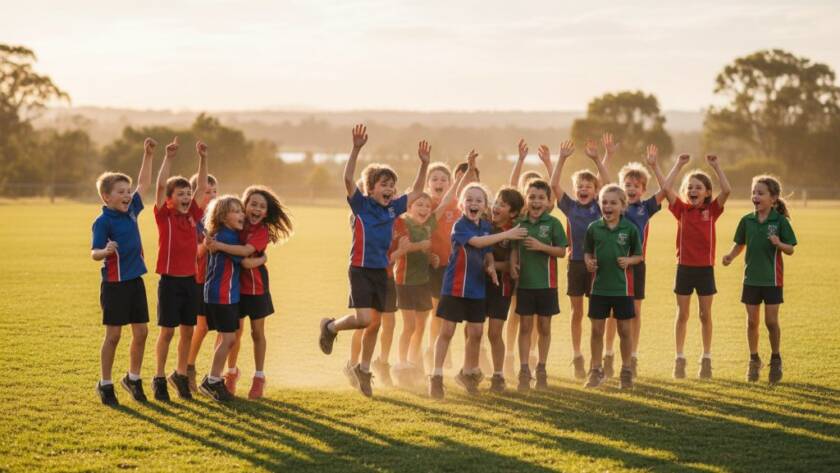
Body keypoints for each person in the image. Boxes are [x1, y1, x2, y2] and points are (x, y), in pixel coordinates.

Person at [318, 124, 429, 398]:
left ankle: (363, 370)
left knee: (375, 324)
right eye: (383, 184)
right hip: (360, 270)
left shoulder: (393, 208)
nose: (389, 189)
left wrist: (424, 164)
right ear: (370, 189)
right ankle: (330, 326)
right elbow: (347, 178)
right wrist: (356, 149)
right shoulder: (361, 205)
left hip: (383, 272)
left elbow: (416, 191)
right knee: (364, 319)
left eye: (392, 185)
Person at [91, 137, 156, 405]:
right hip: (114, 285)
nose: (128, 195)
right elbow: (94, 253)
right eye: (121, 191)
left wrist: (148, 155)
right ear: (107, 197)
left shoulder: (130, 212)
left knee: (141, 333)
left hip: (135, 282)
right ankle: (105, 384)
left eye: (128, 191)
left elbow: (144, 184)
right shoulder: (102, 221)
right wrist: (105, 251)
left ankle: (133, 378)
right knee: (114, 336)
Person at [549, 134, 614, 379]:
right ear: (575, 191)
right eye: (580, 187)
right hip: (576, 263)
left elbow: (609, 184)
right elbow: (554, 185)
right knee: (576, 312)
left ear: (596, 191)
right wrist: (561, 159)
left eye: (588, 186)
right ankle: (577, 356)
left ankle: (600, 358)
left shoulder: (600, 206)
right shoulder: (571, 207)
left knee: (599, 315)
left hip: (599, 266)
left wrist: (598, 159)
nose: (584, 189)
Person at [151, 138, 209, 401]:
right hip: (169, 282)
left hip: (190, 282)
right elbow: (161, 185)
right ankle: (159, 378)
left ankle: (181, 375)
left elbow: (202, 187)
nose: (187, 197)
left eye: (188, 194)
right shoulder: (164, 216)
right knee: (167, 332)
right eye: (181, 194)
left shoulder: (193, 215)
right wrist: (169, 158)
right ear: (170, 199)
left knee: (188, 331)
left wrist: (203, 158)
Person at [723, 175, 796, 384]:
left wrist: (779, 243)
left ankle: (776, 358)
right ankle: (754, 360)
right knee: (752, 322)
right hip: (751, 280)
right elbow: (740, 244)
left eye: (760, 193)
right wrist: (730, 256)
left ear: (773, 198)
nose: (755, 196)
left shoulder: (780, 221)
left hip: (772, 281)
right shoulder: (747, 220)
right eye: (753, 192)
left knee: (771, 322)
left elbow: (790, 249)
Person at [663, 155, 731, 379]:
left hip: (705, 270)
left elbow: (727, 190)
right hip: (684, 268)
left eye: (698, 187)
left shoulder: (712, 210)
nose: (693, 190)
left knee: (705, 314)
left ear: (707, 192)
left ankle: (706, 358)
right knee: (682, 314)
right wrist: (678, 165)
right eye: (690, 187)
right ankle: (679, 358)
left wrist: (716, 166)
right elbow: (666, 188)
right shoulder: (681, 210)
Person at [509, 178, 568, 391]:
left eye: (541, 198)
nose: (536, 201)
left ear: (548, 201)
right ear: (526, 199)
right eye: (532, 197)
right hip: (525, 285)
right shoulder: (520, 223)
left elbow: (561, 251)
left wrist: (541, 246)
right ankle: (524, 369)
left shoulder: (553, 223)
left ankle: (541, 368)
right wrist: (513, 264)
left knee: (544, 326)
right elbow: (514, 249)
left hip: (546, 285)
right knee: (525, 327)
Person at [583, 184, 643, 390]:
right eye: (604, 202)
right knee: (596, 330)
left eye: (613, 203)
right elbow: (587, 252)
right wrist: (588, 262)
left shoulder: (630, 229)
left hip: (622, 289)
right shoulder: (593, 228)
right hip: (599, 288)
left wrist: (629, 261)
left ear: (623, 206)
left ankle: (626, 371)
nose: (608, 206)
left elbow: (639, 256)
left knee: (625, 330)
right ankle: (596, 370)